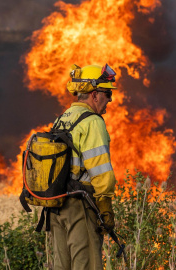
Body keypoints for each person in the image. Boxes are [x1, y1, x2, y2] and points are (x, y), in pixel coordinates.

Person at [50, 64, 117, 270]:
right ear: (95, 95)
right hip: (80, 204)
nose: (110, 100)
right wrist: (105, 207)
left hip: (56, 206)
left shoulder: (61, 119)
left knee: (63, 266)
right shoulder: (92, 122)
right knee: (87, 265)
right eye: (107, 93)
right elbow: (101, 172)